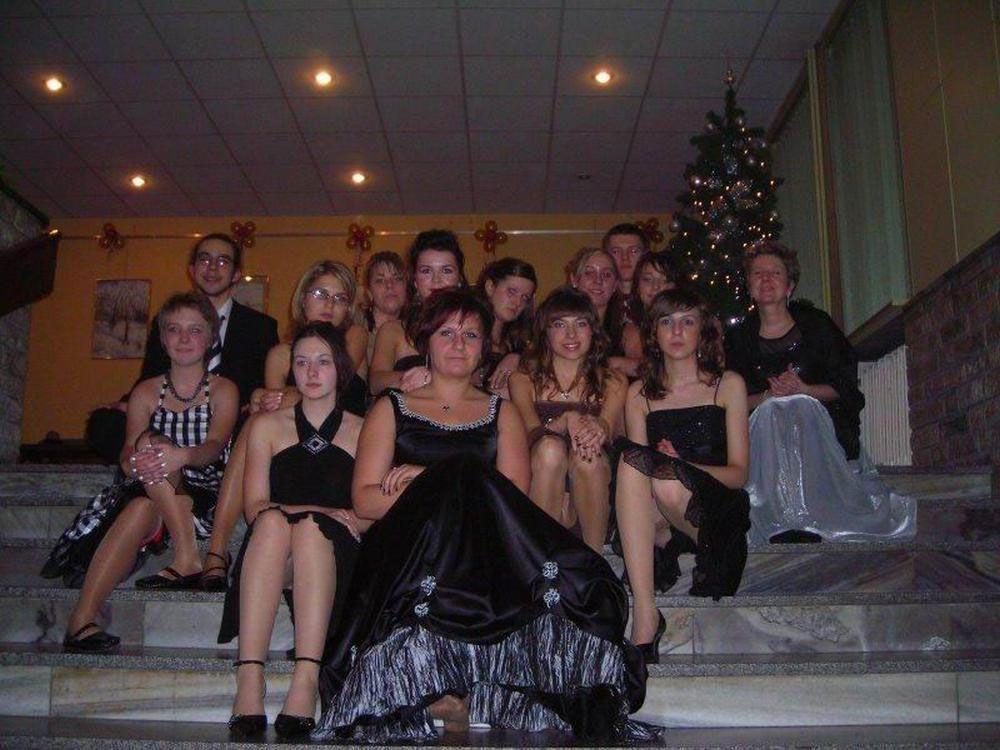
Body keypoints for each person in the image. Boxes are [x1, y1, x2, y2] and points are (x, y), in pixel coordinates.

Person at [312, 290, 654, 744]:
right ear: (426, 342)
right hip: (411, 547)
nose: (459, 344)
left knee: (581, 583)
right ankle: (434, 682)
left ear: (482, 348)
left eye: (470, 335)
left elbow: (507, 501)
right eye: (447, 333)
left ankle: (468, 683)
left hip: (480, 547)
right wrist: (441, 482)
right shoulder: (391, 407)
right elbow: (366, 502)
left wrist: (430, 476)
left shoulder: (501, 411)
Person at [44, 293, 238, 650]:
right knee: (141, 488)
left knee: (149, 466)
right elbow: (127, 453)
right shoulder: (146, 391)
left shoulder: (224, 389)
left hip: (202, 491)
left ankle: (185, 557)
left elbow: (214, 447)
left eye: (195, 330)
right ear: (162, 338)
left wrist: (181, 456)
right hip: (150, 486)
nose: (184, 338)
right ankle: (82, 621)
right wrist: (134, 462)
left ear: (211, 337)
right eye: (174, 329)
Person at [218, 322, 366, 740]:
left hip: (336, 554)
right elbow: (254, 507)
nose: (311, 372)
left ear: (341, 369)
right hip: (275, 550)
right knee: (271, 523)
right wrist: (321, 510)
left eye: (322, 362)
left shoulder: (363, 428)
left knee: (310, 531)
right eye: (301, 363)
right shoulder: (266, 426)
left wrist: (320, 517)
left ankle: (306, 679)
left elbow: (368, 513)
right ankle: (250, 677)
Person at [724, 242, 916, 544]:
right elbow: (729, 403)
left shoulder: (817, 326)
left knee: (799, 404)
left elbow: (845, 387)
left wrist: (804, 390)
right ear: (749, 286)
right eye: (758, 274)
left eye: (775, 273)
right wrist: (768, 397)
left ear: (790, 285)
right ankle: (778, 519)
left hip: (821, 430)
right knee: (775, 409)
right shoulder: (738, 340)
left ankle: (808, 517)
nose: (766, 279)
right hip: (762, 438)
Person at [198, 261, 368, 591]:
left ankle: (220, 552)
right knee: (257, 424)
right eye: (320, 294)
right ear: (303, 299)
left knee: (260, 419)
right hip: (294, 447)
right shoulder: (280, 354)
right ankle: (217, 550)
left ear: (349, 308)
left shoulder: (354, 336)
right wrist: (262, 399)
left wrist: (274, 396)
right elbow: (276, 409)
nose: (329, 304)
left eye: (340, 298)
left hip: (343, 445)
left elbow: (333, 381)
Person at [617, 288, 751, 663]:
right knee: (632, 463)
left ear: (701, 331)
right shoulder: (639, 393)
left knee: (664, 478)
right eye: (667, 322)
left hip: (714, 511)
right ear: (654, 334)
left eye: (687, 321)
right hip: (660, 512)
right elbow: (637, 472)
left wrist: (683, 467)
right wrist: (665, 466)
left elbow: (739, 474)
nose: (677, 331)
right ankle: (645, 614)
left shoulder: (727, 384)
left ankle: (649, 611)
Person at [86, 234, 278, 460]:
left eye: (222, 261)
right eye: (204, 259)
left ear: (236, 274)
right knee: (105, 423)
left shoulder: (260, 326)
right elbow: (152, 373)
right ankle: (156, 467)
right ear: (192, 270)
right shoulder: (166, 321)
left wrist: (252, 402)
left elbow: (264, 383)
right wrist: (131, 405)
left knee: (257, 424)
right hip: (171, 413)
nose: (212, 267)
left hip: (231, 417)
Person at [509, 287, 627, 552]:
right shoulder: (522, 379)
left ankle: (594, 560)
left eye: (580, 324)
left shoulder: (613, 381)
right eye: (560, 324)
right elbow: (529, 433)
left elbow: (608, 430)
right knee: (550, 449)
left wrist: (597, 426)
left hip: (591, 489)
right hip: (540, 484)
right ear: (545, 332)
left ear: (592, 330)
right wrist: (564, 421)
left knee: (588, 455)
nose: (571, 335)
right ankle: (542, 561)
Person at [368, 230, 466, 394]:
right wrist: (412, 377)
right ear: (415, 281)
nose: (436, 280)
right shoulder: (394, 330)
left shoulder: (471, 329)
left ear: (460, 279)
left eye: (446, 270)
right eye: (426, 271)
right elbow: (375, 382)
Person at [475, 257, 537, 399]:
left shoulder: (519, 343)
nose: (518, 302)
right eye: (512, 291)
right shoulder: (467, 336)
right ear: (490, 287)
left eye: (525, 297)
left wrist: (519, 358)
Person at [620, 252, 676, 366]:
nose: (655, 286)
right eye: (648, 279)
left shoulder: (687, 325)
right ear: (637, 286)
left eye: (664, 280)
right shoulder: (628, 328)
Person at [360, 251, 407, 375]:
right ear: (369, 292)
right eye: (380, 280)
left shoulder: (417, 330)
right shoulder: (356, 326)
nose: (390, 285)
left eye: (397, 279)